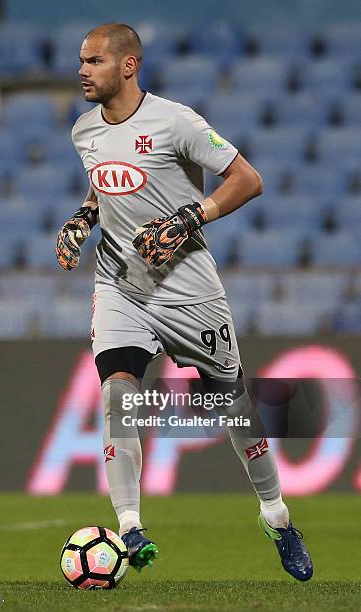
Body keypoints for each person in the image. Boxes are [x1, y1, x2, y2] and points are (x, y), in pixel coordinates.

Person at [55, 23, 313, 580]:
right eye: (81, 60)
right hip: (121, 285)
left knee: (234, 408)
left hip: (190, 292)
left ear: (128, 65)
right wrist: (83, 216)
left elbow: (248, 179)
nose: (82, 70)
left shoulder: (176, 122)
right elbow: (107, 186)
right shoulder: (83, 131)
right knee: (118, 393)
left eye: (94, 61)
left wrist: (193, 215)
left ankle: (277, 515)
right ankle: (130, 529)